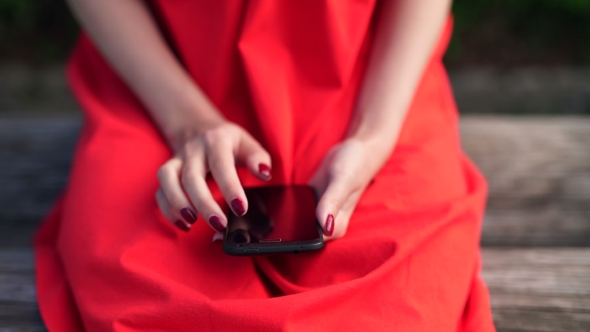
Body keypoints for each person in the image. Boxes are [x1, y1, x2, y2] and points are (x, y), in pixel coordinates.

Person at [34, 0, 496, 331]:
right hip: (163, 81)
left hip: (370, 80)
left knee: (401, 309)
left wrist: (373, 135)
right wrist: (187, 122)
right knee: (143, 300)